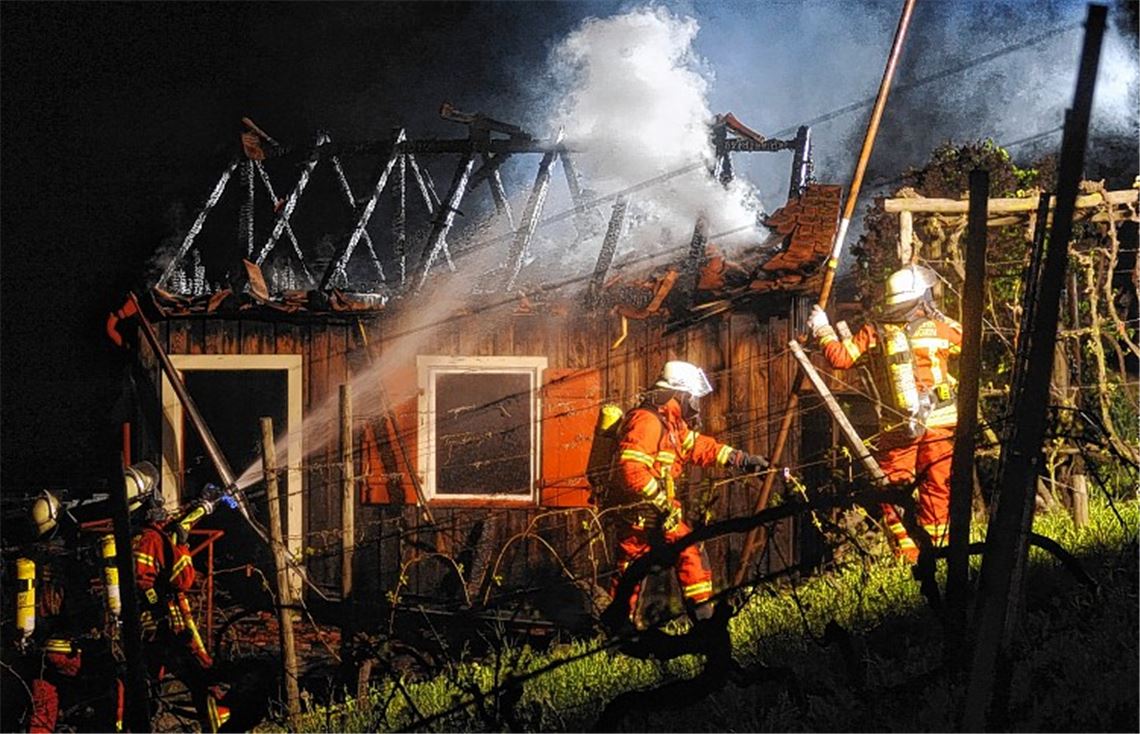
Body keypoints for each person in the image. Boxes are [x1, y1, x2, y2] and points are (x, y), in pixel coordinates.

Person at [808, 264, 962, 560]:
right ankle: (938, 551)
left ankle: (907, 554)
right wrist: (939, 316)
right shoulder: (941, 330)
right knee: (937, 486)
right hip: (940, 423)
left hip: (899, 424)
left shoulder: (876, 329)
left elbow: (840, 358)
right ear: (921, 297)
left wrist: (823, 328)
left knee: (894, 490)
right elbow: (966, 340)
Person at [609, 360, 768, 625]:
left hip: (651, 513)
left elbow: (697, 447)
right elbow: (631, 469)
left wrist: (741, 459)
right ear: (679, 394)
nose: (695, 405)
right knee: (685, 553)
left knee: (631, 572)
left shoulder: (670, 423)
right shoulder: (647, 422)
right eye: (692, 397)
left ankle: (617, 631)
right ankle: (704, 622)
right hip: (644, 514)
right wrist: (660, 502)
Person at [133, 488, 233, 732]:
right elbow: (182, 579)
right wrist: (184, 546)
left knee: (143, 681)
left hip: (149, 623)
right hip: (166, 623)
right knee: (200, 673)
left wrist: (203, 505)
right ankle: (219, 726)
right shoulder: (151, 539)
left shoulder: (143, 536)